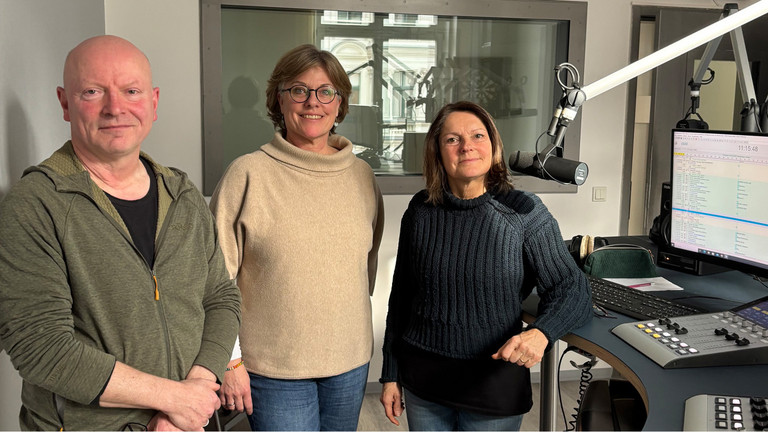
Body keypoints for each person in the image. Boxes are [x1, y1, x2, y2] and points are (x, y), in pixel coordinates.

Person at [0, 35, 241, 431]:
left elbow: (220, 297)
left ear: (153, 102)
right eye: (93, 92)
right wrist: (173, 399)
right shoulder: (36, 204)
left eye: (131, 91)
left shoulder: (181, 194)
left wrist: (196, 392)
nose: (115, 108)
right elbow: (40, 346)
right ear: (65, 102)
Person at [378, 101, 592, 431]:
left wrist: (541, 333)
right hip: (424, 383)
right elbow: (402, 297)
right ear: (438, 151)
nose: (467, 146)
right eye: (452, 139)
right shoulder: (421, 210)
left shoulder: (523, 211)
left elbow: (572, 287)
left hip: (493, 386)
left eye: (477, 136)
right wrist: (391, 373)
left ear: (493, 146)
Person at [209, 44, 385, 431]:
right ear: (279, 98)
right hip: (274, 370)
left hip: (350, 362)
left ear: (340, 103)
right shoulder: (247, 174)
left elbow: (364, 268)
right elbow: (213, 279)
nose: (313, 102)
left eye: (326, 91)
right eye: (299, 90)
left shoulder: (362, 176)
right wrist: (230, 360)